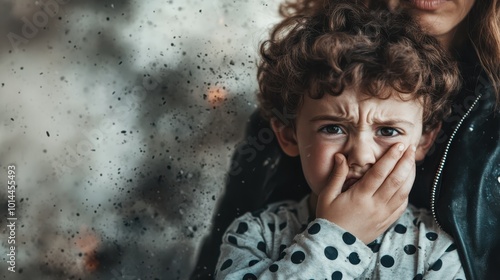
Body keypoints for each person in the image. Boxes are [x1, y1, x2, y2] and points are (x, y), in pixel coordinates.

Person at [190, 0, 500, 279]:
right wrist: (337, 236)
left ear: (426, 136)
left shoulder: (434, 253)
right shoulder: (254, 234)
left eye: (388, 130)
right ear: (287, 134)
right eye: (333, 128)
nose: (361, 155)